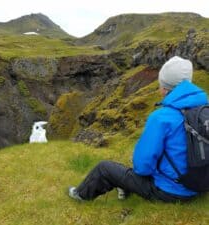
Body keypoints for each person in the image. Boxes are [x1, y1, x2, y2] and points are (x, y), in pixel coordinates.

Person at [68, 56, 208, 203]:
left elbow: (142, 168)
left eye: (160, 84)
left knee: (105, 168)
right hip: (202, 187)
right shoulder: (204, 111)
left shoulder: (161, 117)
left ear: (166, 89)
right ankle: (124, 186)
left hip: (171, 192)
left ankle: (80, 195)